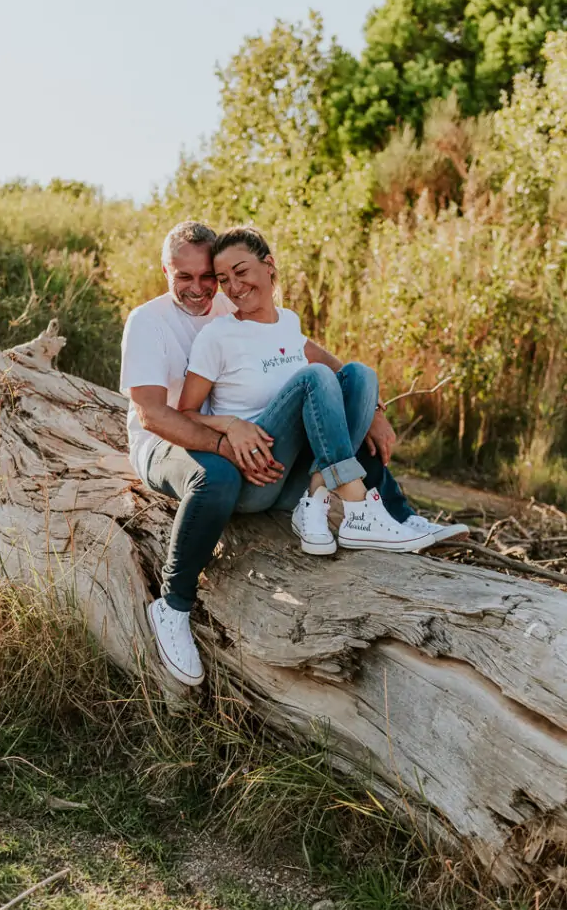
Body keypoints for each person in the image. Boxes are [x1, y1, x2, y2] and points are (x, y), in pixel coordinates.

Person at [120, 222, 468, 687]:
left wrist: (375, 412)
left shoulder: (231, 300)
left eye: (210, 276)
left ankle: (391, 515)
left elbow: (313, 355)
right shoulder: (149, 321)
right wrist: (227, 439)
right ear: (166, 271)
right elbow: (153, 415)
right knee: (219, 477)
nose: (202, 288)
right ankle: (173, 605)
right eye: (186, 278)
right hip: (167, 442)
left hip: (255, 446)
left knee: (351, 383)